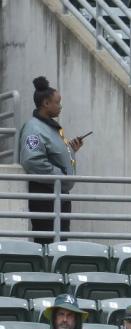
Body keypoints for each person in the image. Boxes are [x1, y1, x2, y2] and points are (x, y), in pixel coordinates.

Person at [19, 76, 83, 245]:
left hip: (58, 193)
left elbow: (57, 156)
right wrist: (59, 176)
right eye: (57, 102)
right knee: (48, 242)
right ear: (46, 103)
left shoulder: (50, 128)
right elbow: (32, 161)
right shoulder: (34, 128)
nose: (60, 106)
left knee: (60, 243)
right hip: (46, 195)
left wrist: (72, 150)